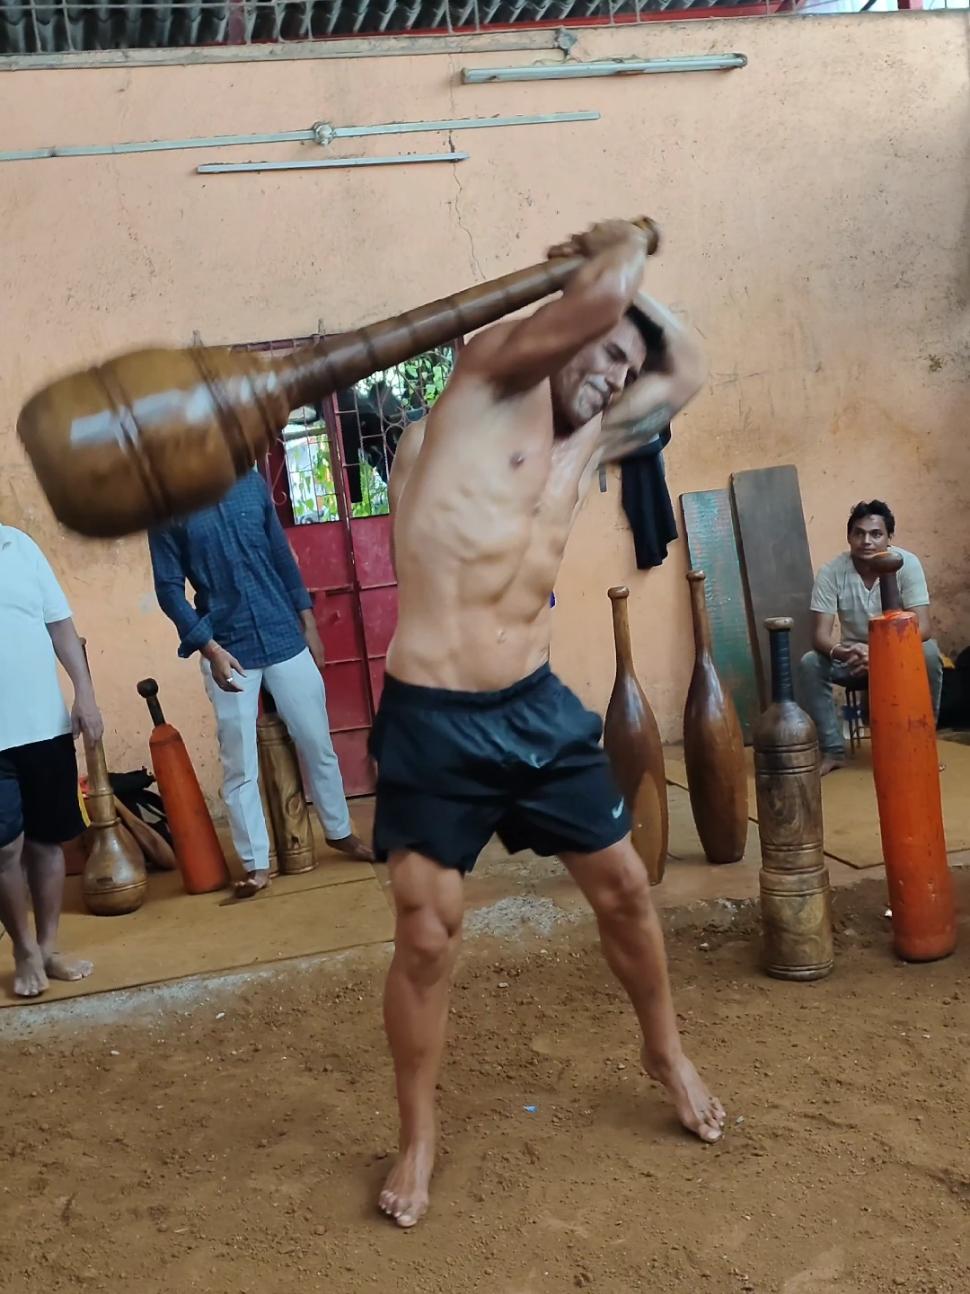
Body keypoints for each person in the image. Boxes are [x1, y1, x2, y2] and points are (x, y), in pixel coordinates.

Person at [370, 218, 723, 1230]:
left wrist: (629, 272)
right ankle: (418, 1132)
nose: (614, 376)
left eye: (623, 366)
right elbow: (602, 303)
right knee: (428, 936)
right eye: (603, 353)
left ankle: (663, 1048)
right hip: (434, 717)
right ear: (557, 327)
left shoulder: (591, 438)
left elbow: (683, 362)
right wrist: (610, 265)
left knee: (623, 890)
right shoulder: (483, 382)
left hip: (532, 706)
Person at [148, 469, 373, 898]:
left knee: (317, 742)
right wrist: (208, 648)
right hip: (227, 647)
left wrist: (309, 623)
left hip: (284, 634)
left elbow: (281, 556)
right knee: (239, 763)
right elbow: (169, 591)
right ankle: (255, 864)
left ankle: (339, 831)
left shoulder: (248, 484)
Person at [0, 524, 100, 997]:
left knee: (47, 843)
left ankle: (47, 947)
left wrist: (85, 695)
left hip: (44, 725)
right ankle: (21, 949)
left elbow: (61, 627)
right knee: (4, 848)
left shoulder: (20, 547)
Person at [800, 500, 942, 776]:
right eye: (859, 533)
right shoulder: (832, 572)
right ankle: (833, 750)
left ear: (889, 538)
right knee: (810, 663)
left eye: (876, 534)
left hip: (897, 656)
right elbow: (819, 636)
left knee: (930, 654)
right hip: (852, 658)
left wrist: (878, 653)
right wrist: (847, 652)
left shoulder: (906, 564)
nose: (866, 541)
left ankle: (923, 746)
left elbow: (923, 628)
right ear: (849, 537)